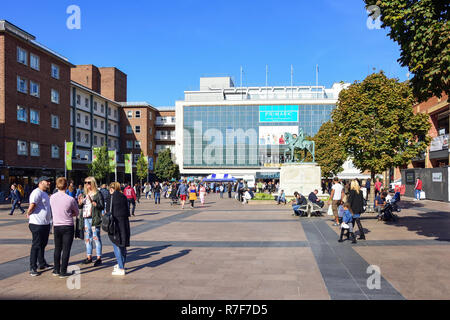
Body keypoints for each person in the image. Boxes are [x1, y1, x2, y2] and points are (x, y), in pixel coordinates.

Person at [50, 177, 79, 278]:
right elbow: (77, 212)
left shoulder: (52, 198)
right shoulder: (70, 199)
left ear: (57, 185)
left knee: (57, 248)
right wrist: (70, 213)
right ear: (66, 186)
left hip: (57, 225)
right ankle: (63, 271)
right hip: (67, 225)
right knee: (66, 249)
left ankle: (56, 269)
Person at [26, 176, 53, 276]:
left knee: (43, 244)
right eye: (47, 181)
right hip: (37, 223)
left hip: (45, 223)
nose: (49, 183)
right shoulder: (36, 192)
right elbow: (32, 204)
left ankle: (42, 263)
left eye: (49, 181)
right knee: (36, 245)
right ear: (41, 182)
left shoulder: (44, 193)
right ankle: (33, 267)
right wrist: (28, 212)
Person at [78, 176, 104, 267]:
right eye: (85, 182)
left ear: (93, 183)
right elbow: (81, 207)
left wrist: (95, 204)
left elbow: (102, 206)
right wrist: (80, 203)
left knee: (96, 237)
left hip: (94, 218)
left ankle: (99, 258)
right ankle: (89, 257)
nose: (86, 184)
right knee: (87, 238)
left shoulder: (98, 193)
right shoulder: (84, 194)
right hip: (86, 218)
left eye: (88, 182)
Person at [108, 182, 131, 276]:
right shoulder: (123, 196)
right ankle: (121, 265)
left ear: (112, 188)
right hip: (124, 222)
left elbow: (108, 211)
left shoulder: (111, 197)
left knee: (116, 244)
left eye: (110, 188)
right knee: (123, 244)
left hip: (115, 223)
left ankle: (121, 268)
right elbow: (127, 211)